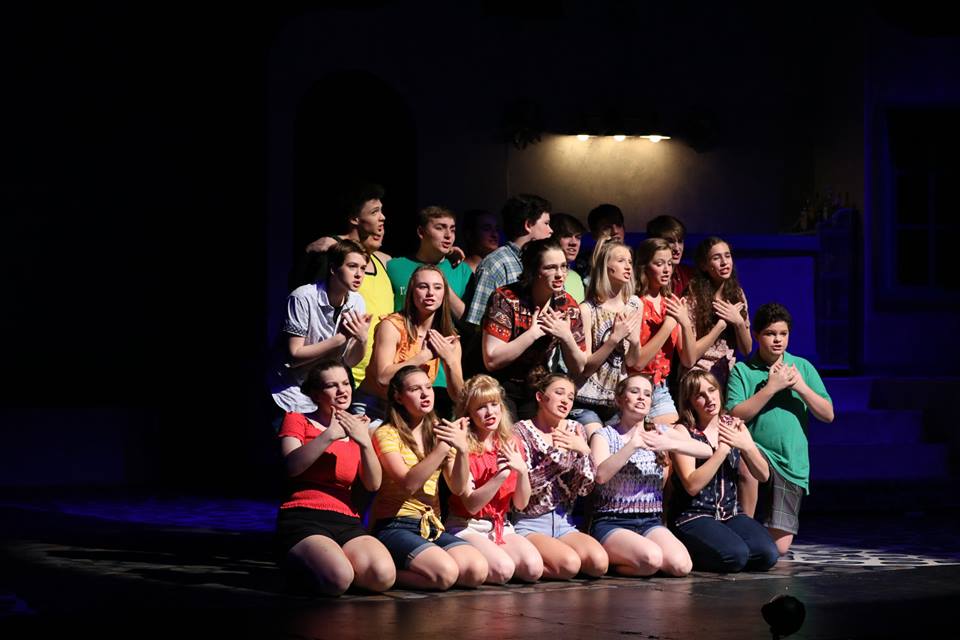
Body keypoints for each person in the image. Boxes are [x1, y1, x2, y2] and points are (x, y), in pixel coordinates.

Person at [275, 360, 395, 595]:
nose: (342, 390)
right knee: (338, 579)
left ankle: (330, 564)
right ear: (316, 394)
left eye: (346, 383)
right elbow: (291, 466)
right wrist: (329, 435)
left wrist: (364, 442)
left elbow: (373, 484)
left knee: (382, 576)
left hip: (346, 519)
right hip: (304, 517)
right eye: (332, 385)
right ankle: (299, 560)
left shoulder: (358, 428)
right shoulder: (297, 418)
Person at [726, 303, 834, 555]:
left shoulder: (802, 367)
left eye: (783, 334)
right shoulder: (743, 370)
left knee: (779, 549)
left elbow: (828, 414)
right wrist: (771, 388)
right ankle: (743, 529)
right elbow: (735, 413)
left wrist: (800, 387)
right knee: (747, 462)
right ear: (757, 336)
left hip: (790, 463)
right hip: (758, 452)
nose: (777, 340)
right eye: (770, 333)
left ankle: (757, 543)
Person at [371, 366, 489, 589]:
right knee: (445, 574)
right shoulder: (387, 432)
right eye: (415, 389)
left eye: (428, 387)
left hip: (432, 524)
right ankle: (385, 573)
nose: (425, 394)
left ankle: (424, 568)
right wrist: (443, 448)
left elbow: (458, 488)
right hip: (395, 524)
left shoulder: (440, 432)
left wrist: (462, 450)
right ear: (398, 396)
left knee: (476, 571)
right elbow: (408, 484)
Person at [590, 374, 712, 577]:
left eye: (647, 394)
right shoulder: (605, 435)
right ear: (620, 399)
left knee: (681, 566)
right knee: (651, 559)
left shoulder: (659, 432)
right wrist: (632, 445)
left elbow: (706, 450)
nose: (642, 397)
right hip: (613, 521)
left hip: (649, 521)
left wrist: (670, 444)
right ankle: (613, 560)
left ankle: (637, 558)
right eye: (634, 392)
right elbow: (600, 476)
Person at [669, 369, 780, 573]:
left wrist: (746, 446)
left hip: (730, 514)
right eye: (700, 395)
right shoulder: (683, 432)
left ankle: (722, 547)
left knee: (768, 554)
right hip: (694, 516)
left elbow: (763, 475)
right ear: (690, 402)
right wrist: (722, 450)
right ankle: (691, 549)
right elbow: (692, 485)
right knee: (735, 556)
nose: (709, 398)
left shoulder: (732, 425)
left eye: (712, 390)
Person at [445, 375, 544, 583]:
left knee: (533, 568)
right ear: (469, 413)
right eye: (481, 407)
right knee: (503, 570)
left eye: (494, 404)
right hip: (467, 525)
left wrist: (522, 471)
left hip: (501, 525)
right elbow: (471, 505)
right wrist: (502, 475)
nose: (490, 412)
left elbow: (521, 504)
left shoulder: (511, 442)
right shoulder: (461, 447)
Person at [512, 373, 608, 579]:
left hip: (564, 521)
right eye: (559, 393)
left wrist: (584, 451)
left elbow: (584, 488)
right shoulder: (521, 431)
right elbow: (528, 486)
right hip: (531, 522)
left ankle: (547, 560)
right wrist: (557, 456)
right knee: (569, 565)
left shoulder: (575, 429)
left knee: (599, 563)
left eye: (571, 397)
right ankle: (522, 565)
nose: (566, 401)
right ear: (540, 397)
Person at [300, 182, 393, 389]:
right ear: (354, 219)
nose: (382, 217)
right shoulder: (328, 253)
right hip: (333, 377)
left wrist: (445, 254)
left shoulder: (380, 260)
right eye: (375, 212)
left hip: (372, 376)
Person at [481, 238, 587, 419]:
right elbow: (491, 360)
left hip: (538, 388)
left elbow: (579, 368)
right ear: (534, 270)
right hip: (501, 385)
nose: (560, 274)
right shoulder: (506, 298)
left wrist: (566, 336)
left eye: (563, 267)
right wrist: (532, 334)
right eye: (551, 268)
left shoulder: (567, 305)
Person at [270, 239, 372, 416]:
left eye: (363, 268)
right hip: (290, 394)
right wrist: (340, 338)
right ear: (333, 269)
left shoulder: (357, 301)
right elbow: (294, 356)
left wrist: (362, 339)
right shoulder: (302, 297)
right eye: (352, 266)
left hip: (326, 397)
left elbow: (349, 361)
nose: (359, 274)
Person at [355, 265, 464, 421]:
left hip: (412, 412)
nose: (430, 293)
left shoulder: (447, 337)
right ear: (411, 291)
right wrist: (424, 355)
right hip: (374, 408)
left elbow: (459, 396)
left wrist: (451, 361)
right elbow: (383, 378)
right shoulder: (392, 326)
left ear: (444, 294)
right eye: (423, 287)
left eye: (437, 287)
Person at [572, 240, 643, 435]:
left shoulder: (634, 305)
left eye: (630, 261)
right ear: (606, 267)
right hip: (586, 400)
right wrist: (613, 340)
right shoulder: (587, 310)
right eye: (621, 261)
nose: (628, 266)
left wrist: (635, 342)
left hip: (617, 401)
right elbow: (586, 368)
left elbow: (632, 362)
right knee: (599, 439)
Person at [462, 194, 553, 328]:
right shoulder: (495, 264)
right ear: (528, 225)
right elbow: (478, 324)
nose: (551, 230)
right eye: (546, 223)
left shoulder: (546, 261)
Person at [632, 238, 696, 425]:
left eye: (669, 263)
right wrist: (668, 325)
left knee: (675, 438)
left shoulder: (671, 302)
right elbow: (639, 362)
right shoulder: (635, 303)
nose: (667, 269)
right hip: (634, 385)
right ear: (644, 267)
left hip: (660, 388)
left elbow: (688, 360)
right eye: (659, 264)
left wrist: (684, 322)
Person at [682, 237, 752, 389]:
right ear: (704, 265)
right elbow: (690, 357)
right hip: (700, 373)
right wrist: (720, 325)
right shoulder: (693, 297)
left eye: (727, 256)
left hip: (729, 373)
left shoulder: (737, 294)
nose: (724, 262)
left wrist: (739, 322)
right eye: (716, 258)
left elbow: (746, 349)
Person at [386, 205, 473, 319]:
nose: (448, 235)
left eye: (452, 230)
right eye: (440, 228)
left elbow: (468, 322)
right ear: (421, 232)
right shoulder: (394, 267)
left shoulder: (461, 270)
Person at [646, 214, 695, 297]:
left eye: (680, 241)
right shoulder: (644, 276)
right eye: (670, 241)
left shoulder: (689, 274)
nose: (677, 248)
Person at [573, 203, 626, 280]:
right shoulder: (584, 262)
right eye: (607, 227)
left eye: (619, 225)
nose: (615, 231)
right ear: (594, 234)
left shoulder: (636, 259)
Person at [549, 213, 588, 304]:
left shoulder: (576, 278)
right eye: (566, 236)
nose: (574, 243)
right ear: (552, 237)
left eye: (578, 237)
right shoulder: (542, 275)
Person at [460, 209, 501, 273]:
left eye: (497, 229)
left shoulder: (500, 269)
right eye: (487, 229)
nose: (495, 234)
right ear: (470, 235)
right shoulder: (457, 270)